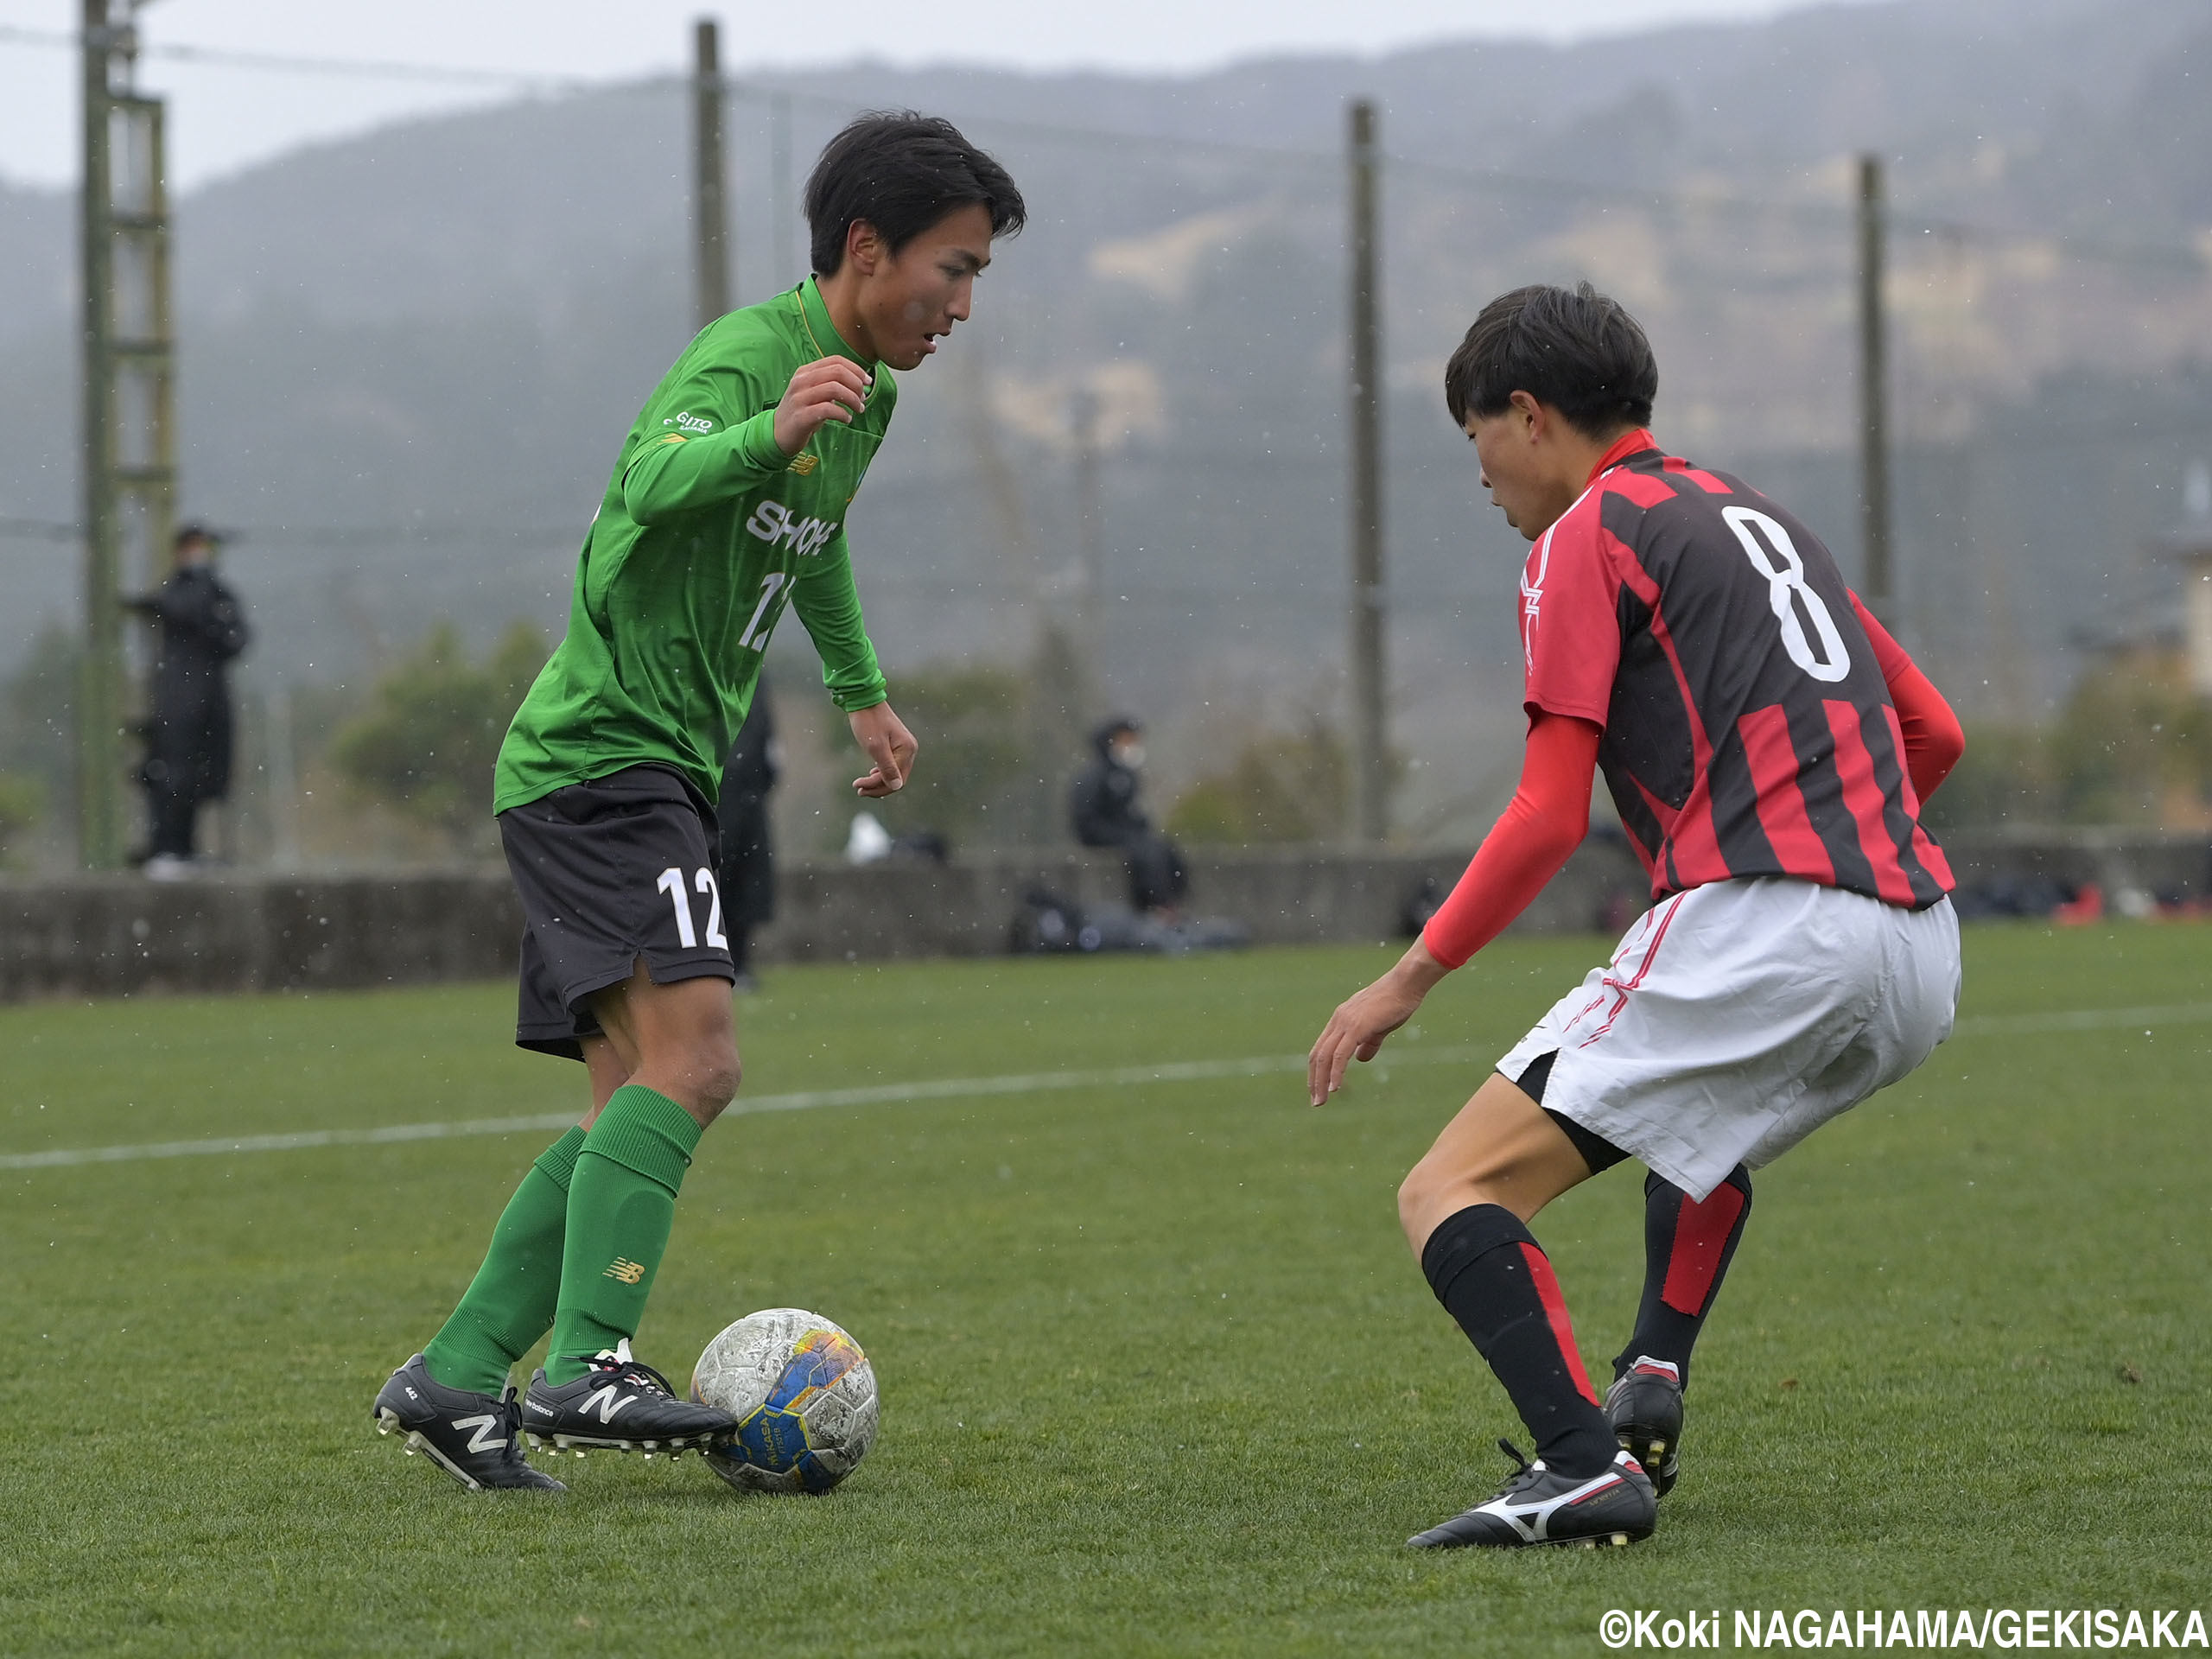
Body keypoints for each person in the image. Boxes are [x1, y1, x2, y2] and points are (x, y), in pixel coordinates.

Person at [372, 112, 1025, 1491]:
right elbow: (642, 487)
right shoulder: (751, 357)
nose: (963, 305)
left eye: (977, 278)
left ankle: (454, 1375)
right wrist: (761, 433)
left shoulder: (872, 393)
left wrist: (861, 688)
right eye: (951, 270)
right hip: (606, 760)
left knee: (633, 1100)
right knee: (703, 1062)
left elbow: (818, 534)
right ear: (866, 250)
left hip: (649, 769)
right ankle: (587, 1369)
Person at [1306, 283, 1964, 1550]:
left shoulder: (1583, 535)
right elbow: (1935, 729)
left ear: (1529, 414)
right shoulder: (1764, 520)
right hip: (1920, 947)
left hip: (1771, 920)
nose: (1485, 478)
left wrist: (1403, 984)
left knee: (1450, 1189)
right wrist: (1842, 842)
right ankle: (1653, 1371)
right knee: (1699, 1134)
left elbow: (1549, 816)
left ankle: (1581, 1466)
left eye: (1478, 441)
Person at [127, 523, 249, 877]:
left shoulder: (218, 592)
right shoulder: (179, 590)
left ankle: (187, 850)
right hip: (177, 700)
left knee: (203, 776)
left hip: (210, 701)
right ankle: (167, 849)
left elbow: (237, 639)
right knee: (170, 775)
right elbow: (180, 609)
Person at [1070, 716, 1186, 916]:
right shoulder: (1095, 776)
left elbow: (1131, 813)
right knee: (1145, 853)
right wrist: (1120, 833)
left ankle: (1173, 903)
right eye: (1127, 740)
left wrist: (1139, 828)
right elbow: (1086, 817)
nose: (1132, 746)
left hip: (1126, 833)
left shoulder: (1126, 775)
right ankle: (1155, 906)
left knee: (1164, 849)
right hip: (1102, 834)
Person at [715, 688, 779, 990]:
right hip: (717, 797)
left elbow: (769, 751)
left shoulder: (754, 680)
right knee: (717, 880)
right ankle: (721, 964)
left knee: (747, 884)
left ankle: (739, 964)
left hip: (747, 799)